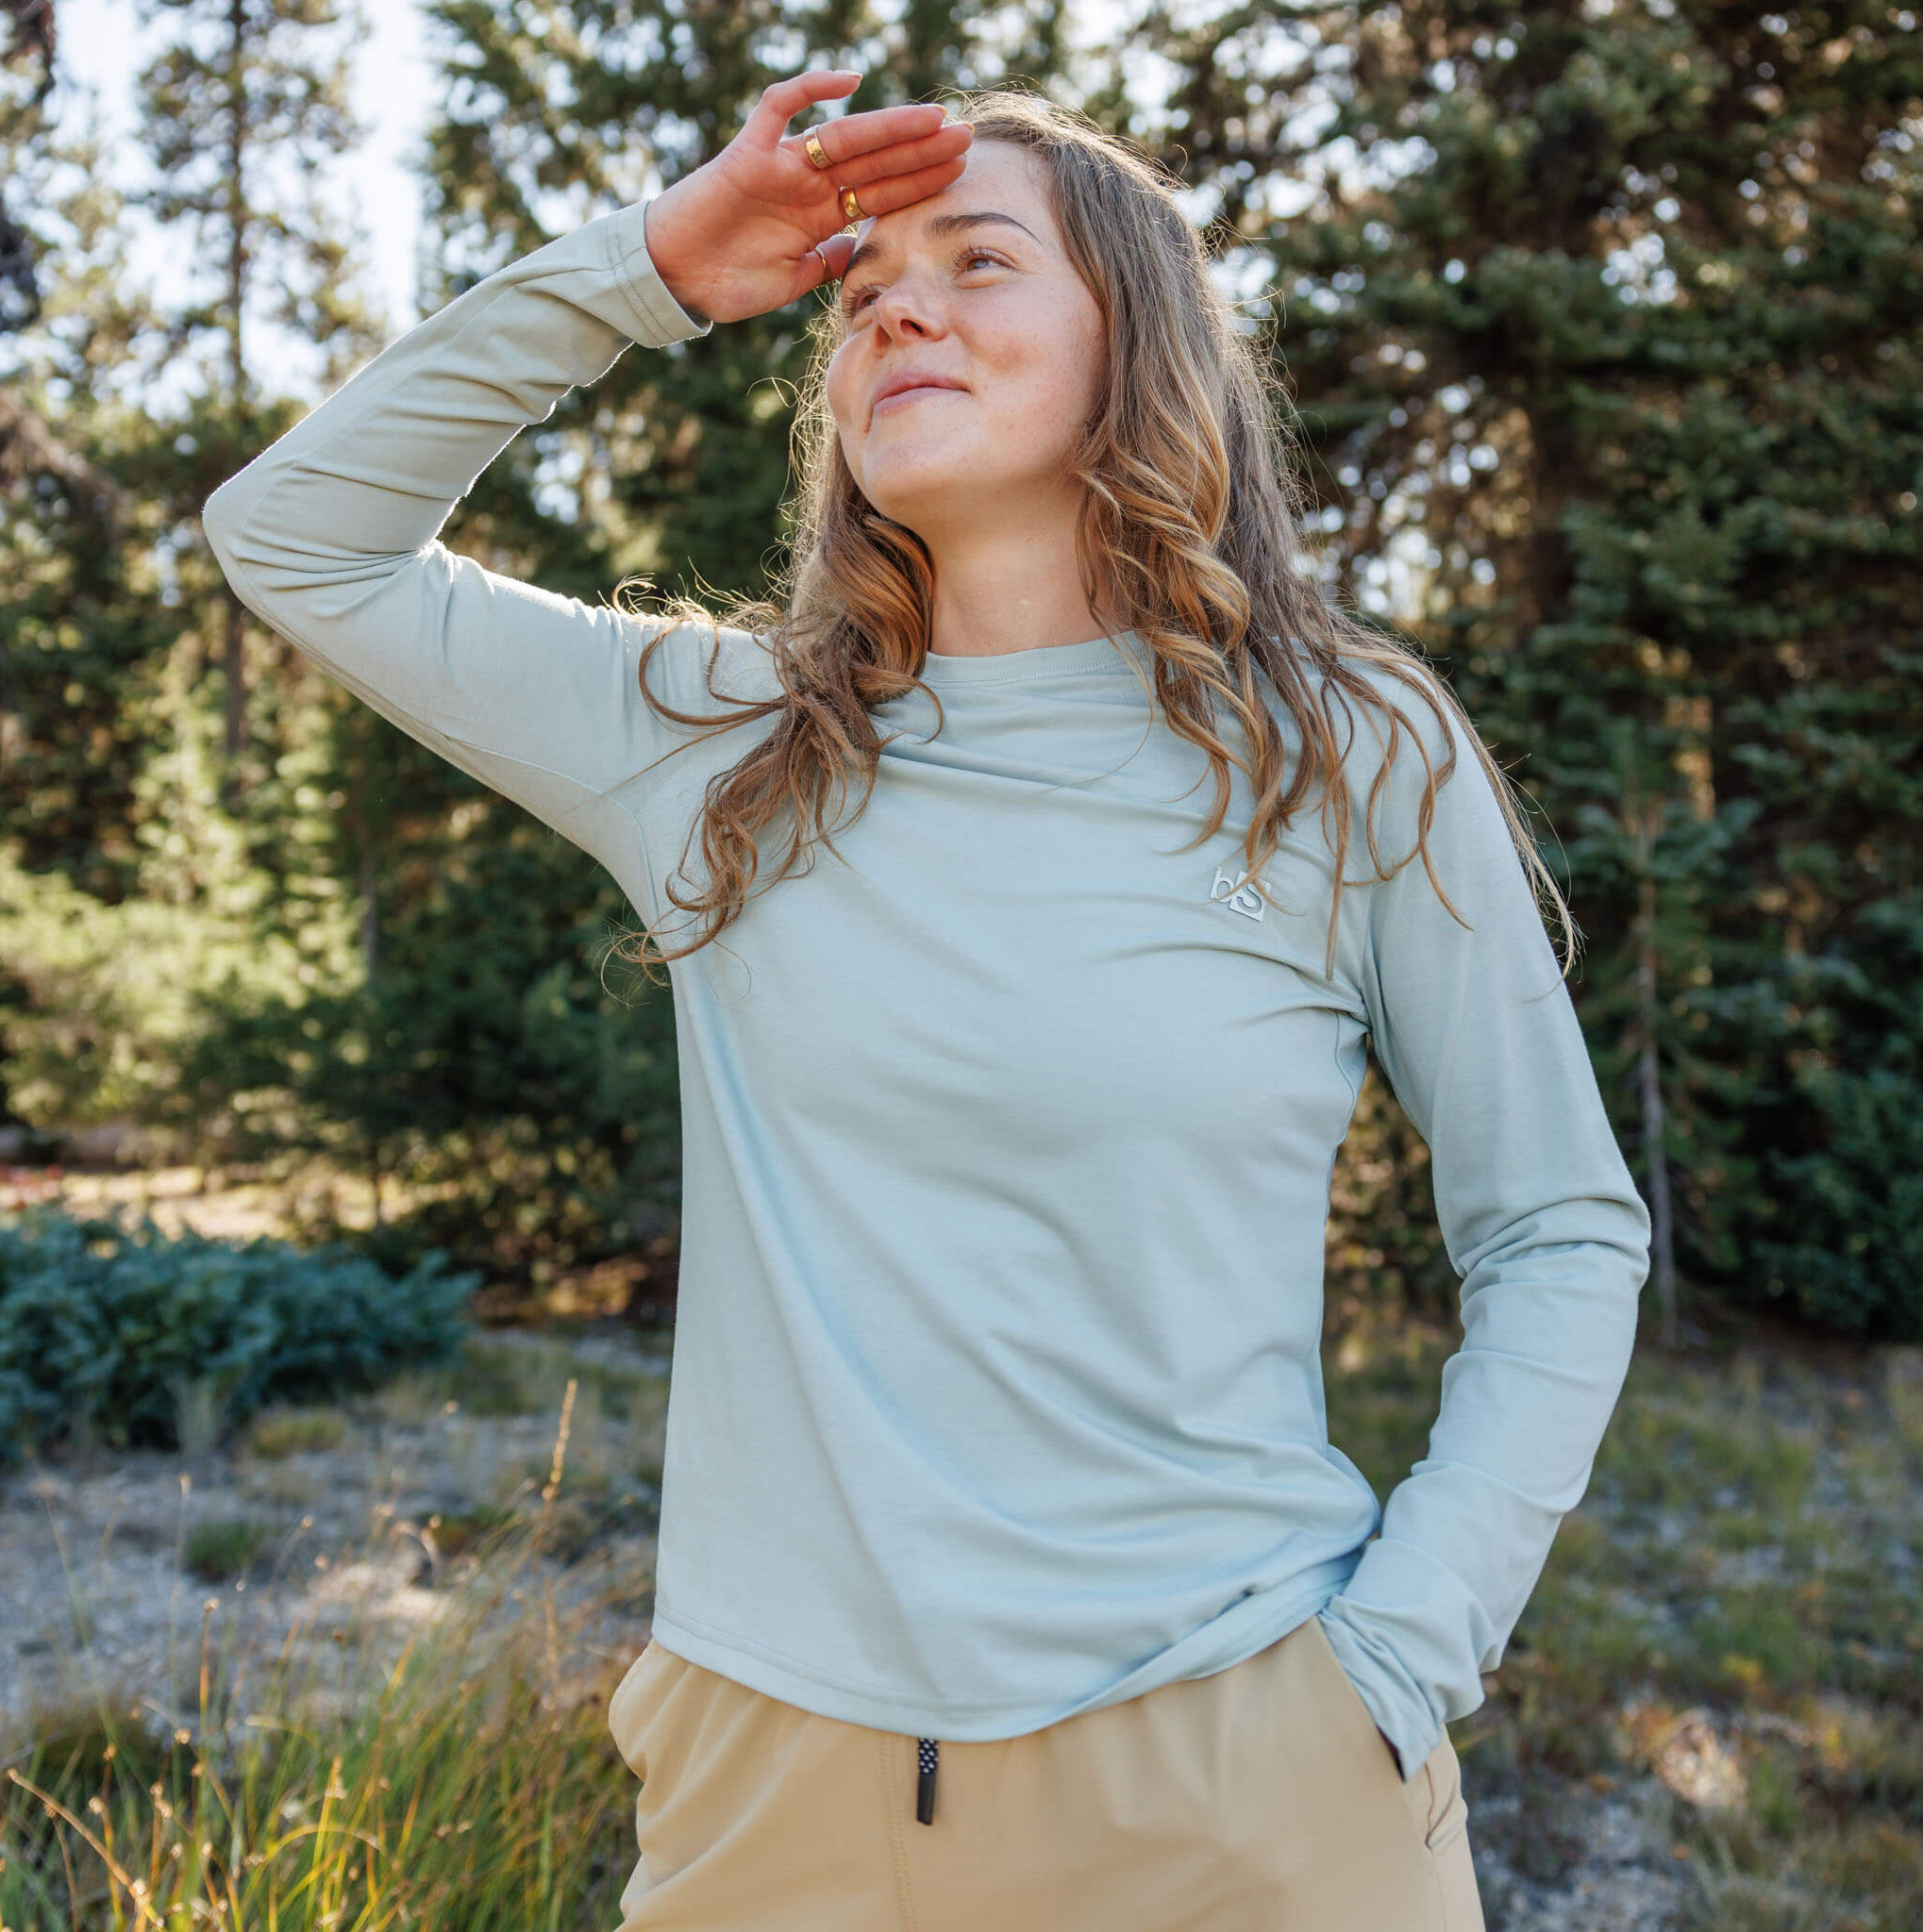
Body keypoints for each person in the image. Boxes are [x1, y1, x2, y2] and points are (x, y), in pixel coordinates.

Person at [203, 70, 1652, 1932]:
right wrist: (652, 267)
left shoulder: (1345, 754)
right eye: (865, 279)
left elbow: (1555, 1229)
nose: (897, 303)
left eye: (980, 261)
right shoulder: (717, 748)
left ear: (1135, 347)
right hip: (776, 1800)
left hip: (1245, 1784)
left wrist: (1393, 1660)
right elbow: (295, 535)